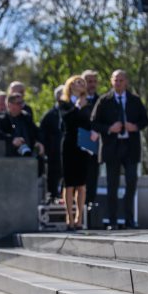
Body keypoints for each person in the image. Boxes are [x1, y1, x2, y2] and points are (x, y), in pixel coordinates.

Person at [90, 70, 148, 229]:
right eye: (115, 80)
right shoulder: (104, 100)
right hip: (112, 148)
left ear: (126, 82)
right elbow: (94, 123)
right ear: (111, 81)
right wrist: (109, 128)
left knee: (131, 182)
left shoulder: (134, 100)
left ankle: (129, 220)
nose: (118, 83)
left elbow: (145, 120)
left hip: (130, 148)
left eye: (121, 80)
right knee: (112, 185)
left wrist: (135, 126)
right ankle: (113, 221)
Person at [59, 75, 92, 230]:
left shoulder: (88, 104)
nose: (81, 84)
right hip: (69, 144)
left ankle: (79, 218)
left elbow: (88, 122)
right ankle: (69, 217)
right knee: (69, 183)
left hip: (82, 144)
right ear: (71, 85)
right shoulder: (64, 103)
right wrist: (77, 107)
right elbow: (67, 120)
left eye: (83, 83)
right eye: (78, 82)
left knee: (81, 183)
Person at [0, 93, 43, 158]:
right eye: (18, 103)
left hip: (27, 155)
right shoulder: (1, 118)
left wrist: (39, 142)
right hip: (9, 156)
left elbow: (36, 132)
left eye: (22, 103)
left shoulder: (26, 117)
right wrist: (12, 140)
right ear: (10, 104)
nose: (21, 106)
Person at [39, 86, 65, 202]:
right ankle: (53, 197)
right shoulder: (49, 115)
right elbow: (42, 134)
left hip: (68, 154)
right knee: (53, 178)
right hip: (54, 155)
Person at [81, 70, 102, 206]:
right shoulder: (77, 100)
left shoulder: (101, 101)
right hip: (78, 146)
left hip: (94, 146)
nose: (92, 85)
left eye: (94, 81)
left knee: (92, 178)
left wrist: (98, 130)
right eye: (89, 82)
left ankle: (90, 208)